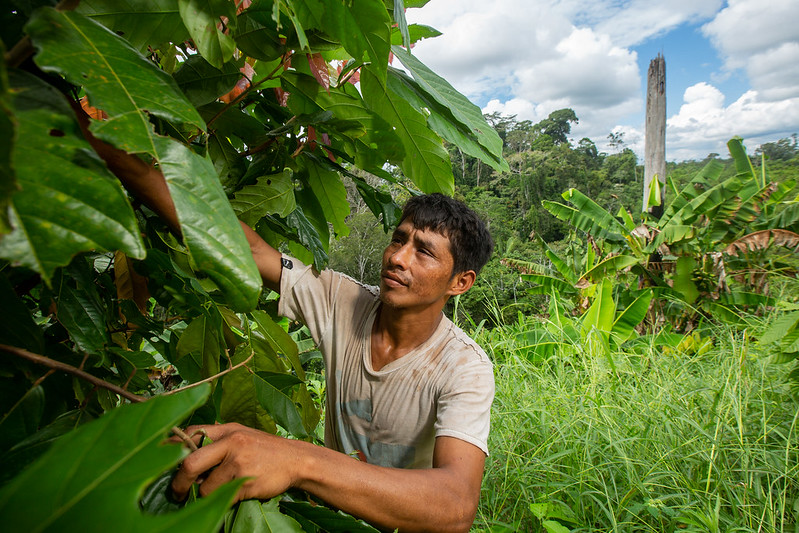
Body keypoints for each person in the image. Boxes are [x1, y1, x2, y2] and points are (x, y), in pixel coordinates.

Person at [76, 106, 495, 533]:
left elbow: (454, 506)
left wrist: (297, 458)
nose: (397, 258)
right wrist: (106, 149)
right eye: (398, 240)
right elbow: (248, 248)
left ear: (460, 282)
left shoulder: (465, 367)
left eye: (423, 251)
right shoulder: (342, 300)